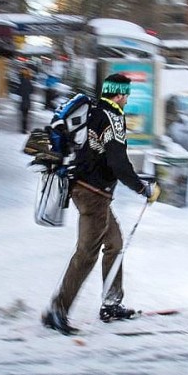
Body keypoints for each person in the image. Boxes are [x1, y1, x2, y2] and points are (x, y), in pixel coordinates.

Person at [41, 73, 161, 335]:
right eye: (126, 94)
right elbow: (118, 163)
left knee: (114, 243)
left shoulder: (95, 111)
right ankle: (57, 310)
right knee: (86, 254)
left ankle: (111, 304)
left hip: (85, 189)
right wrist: (143, 188)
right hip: (93, 194)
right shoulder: (113, 118)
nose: (127, 98)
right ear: (118, 94)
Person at [17, 68, 34, 134]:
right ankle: (24, 129)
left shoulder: (22, 82)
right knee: (25, 115)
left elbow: (18, 91)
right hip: (27, 100)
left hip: (23, 100)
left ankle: (23, 129)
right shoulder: (28, 81)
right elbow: (31, 90)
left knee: (24, 115)